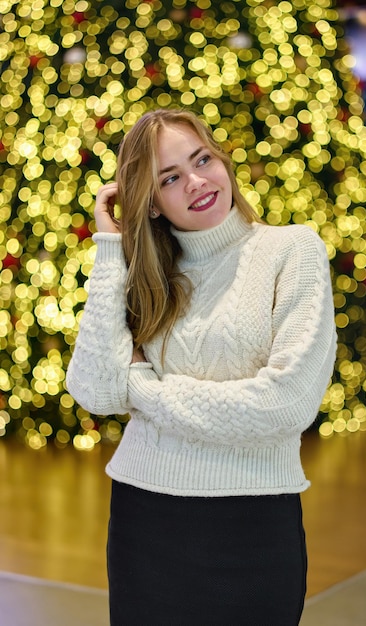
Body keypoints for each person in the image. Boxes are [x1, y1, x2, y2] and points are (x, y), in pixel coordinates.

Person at [66, 108, 337, 625]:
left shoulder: (291, 250)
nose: (196, 182)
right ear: (149, 204)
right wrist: (108, 250)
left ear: (222, 161)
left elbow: (284, 405)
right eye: (170, 178)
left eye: (202, 159)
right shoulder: (149, 277)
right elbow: (96, 391)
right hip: (144, 523)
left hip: (251, 525)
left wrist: (143, 387)